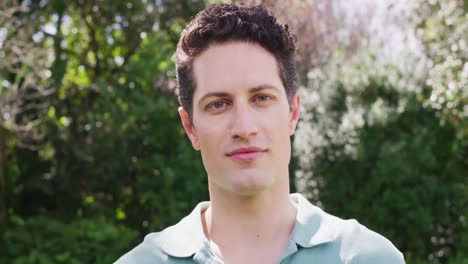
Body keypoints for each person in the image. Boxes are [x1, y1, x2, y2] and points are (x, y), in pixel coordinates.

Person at [115, 3, 405, 264]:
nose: (244, 128)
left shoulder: (370, 257)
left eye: (261, 98)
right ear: (190, 128)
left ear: (293, 112)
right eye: (218, 104)